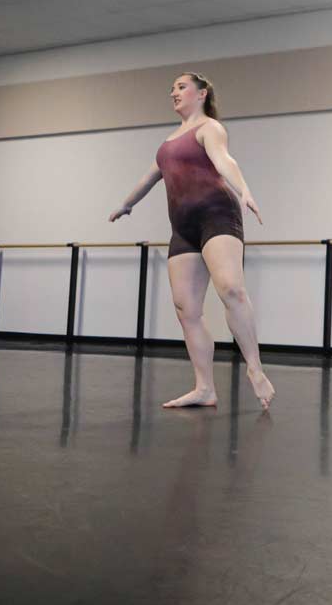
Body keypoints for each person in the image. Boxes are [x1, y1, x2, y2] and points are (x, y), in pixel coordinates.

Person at [109, 73, 274, 410]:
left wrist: (244, 189)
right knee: (187, 309)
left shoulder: (209, 128)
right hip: (182, 227)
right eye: (172, 88)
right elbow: (150, 177)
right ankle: (204, 388)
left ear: (202, 94)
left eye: (181, 87)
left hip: (216, 214)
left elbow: (224, 160)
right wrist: (127, 204)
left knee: (230, 289)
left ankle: (254, 368)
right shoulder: (168, 143)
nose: (174, 92)